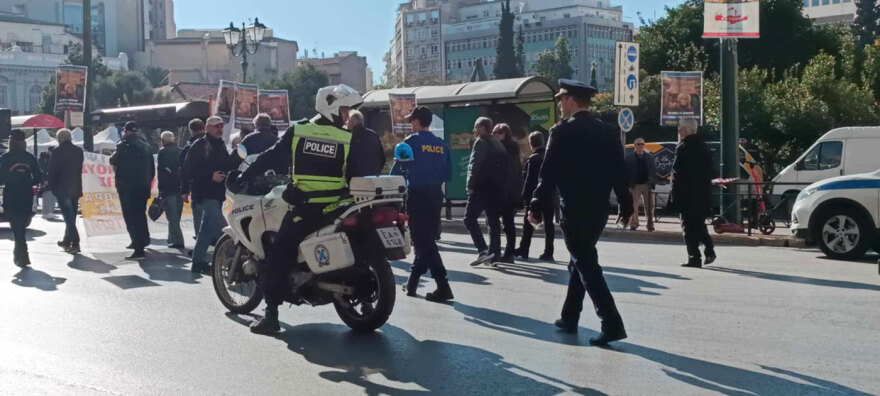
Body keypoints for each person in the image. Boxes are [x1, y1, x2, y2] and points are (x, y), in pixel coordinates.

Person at [234, 84, 374, 334]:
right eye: (345, 110)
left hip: (308, 207)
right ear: (330, 105)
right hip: (339, 205)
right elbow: (356, 173)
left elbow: (271, 156)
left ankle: (271, 315)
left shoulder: (299, 131)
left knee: (279, 254)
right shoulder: (347, 137)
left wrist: (243, 175)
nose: (347, 116)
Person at [528, 79, 633, 346]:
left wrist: (536, 205)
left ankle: (611, 323)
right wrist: (626, 204)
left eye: (561, 99)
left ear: (571, 100)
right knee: (580, 259)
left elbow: (548, 173)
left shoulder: (561, 132)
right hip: (599, 209)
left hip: (573, 208)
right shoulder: (608, 132)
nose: (559, 104)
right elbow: (619, 172)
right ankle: (570, 316)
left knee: (586, 263)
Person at [391, 106, 453, 302]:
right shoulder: (442, 145)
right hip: (436, 196)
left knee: (423, 241)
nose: (410, 124)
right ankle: (411, 284)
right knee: (424, 240)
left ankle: (443, 285)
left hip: (417, 196)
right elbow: (447, 175)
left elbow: (395, 175)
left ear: (417, 122)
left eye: (411, 120)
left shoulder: (410, 144)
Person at [182, 116, 231, 273]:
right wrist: (210, 175)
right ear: (207, 128)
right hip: (204, 193)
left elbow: (227, 164)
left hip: (217, 194)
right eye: (216, 126)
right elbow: (188, 169)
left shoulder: (221, 145)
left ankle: (198, 262)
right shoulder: (200, 145)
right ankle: (234, 259)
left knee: (206, 230)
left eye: (221, 126)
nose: (220, 129)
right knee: (223, 229)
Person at [671, 117, 716, 268]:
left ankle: (694, 257)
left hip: (686, 195)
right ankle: (709, 250)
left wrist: (674, 195)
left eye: (679, 128)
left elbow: (677, 173)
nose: (678, 131)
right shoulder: (705, 147)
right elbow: (711, 171)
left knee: (688, 227)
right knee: (699, 224)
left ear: (685, 130)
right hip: (702, 194)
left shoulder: (682, 147)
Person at [464, 117, 509, 267]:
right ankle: (494, 254)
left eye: (476, 127)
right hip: (496, 188)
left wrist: (470, 184)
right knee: (493, 220)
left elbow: (474, 165)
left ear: (483, 128)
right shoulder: (498, 143)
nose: (474, 130)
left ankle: (483, 250)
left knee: (469, 218)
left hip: (481, 188)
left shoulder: (480, 142)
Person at [110, 122, 154, 260]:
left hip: (128, 187)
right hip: (143, 186)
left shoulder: (123, 145)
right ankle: (142, 240)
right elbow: (152, 169)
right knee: (140, 215)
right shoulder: (146, 146)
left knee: (131, 216)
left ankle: (138, 247)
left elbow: (114, 160)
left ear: (125, 131)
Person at [0, 130, 42, 266]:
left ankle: (22, 254)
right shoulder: (30, 158)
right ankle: (20, 254)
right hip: (26, 193)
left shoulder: (5, 158)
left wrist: (9, 180)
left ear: (11, 142)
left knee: (16, 225)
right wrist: (27, 182)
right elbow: (38, 178)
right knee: (21, 225)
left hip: (11, 193)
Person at [515, 131, 555, 262]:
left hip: (534, 197)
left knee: (528, 224)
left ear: (531, 143)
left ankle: (524, 249)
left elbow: (529, 180)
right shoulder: (549, 157)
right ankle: (549, 252)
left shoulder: (534, 159)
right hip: (549, 195)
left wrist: (523, 198)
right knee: (549, 225)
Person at [47, 128, 84, 254]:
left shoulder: (57, 151)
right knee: (71, 216)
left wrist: (50, 186)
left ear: (59, 139)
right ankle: (66, 241)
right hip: (76, 188)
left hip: (62, 188)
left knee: (68, 218)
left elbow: (53, 171)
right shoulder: (79, 151)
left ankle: (76, 242)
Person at [491, 123, 522, 264]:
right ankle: (509, 252)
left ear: (503, 133)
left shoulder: (501, 149)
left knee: (501, 223)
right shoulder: (514, 149)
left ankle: (504, 252)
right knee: (508, 223)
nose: (493, 135)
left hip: (503, 191)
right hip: (513, 191)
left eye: (496, 132)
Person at [180, 118, 206, 242]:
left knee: (199, 217)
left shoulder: (189, 147)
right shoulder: (215, 142)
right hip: (215, 187)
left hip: (197, 187)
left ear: (191, 131)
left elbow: (184, 170)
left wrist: (184, 191)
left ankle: (200, 243)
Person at [158, 131, 184, 249]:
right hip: (180, 187)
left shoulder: (162, 152)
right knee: (176, 214)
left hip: (169, 188)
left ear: (163, 141)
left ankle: (178, 240)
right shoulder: (181, 150)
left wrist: (161, 189)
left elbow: (161, 173)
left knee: (172, 215)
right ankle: (172, 237)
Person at [627, 138, 657, 231]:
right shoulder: (629, 158)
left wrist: (652, 181)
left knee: (650, 206)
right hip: (635, 185)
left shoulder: (650, 157)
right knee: (633, 206)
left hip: (647, 185)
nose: (641, 146)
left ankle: (650, 225)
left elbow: (653, 170)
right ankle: (634, 224)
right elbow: (626, 171)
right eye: (638, 144)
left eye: (642, 144)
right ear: (635, 146)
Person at [347, 110, 386, 176]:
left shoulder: (350, 136)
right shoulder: (374, 135)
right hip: (373, 176)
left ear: (354, 121)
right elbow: (382, 157)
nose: (347, 123)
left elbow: (348, 158)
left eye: (348, 120)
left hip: (355, 178)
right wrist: (377, 171)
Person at [39, 148, 57, 220]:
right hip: (48, 179)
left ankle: (48, 212)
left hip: (47, 179)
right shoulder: (47, 159)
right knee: (49, 196)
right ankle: (47, 212)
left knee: (49, 196)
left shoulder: (45, 159)